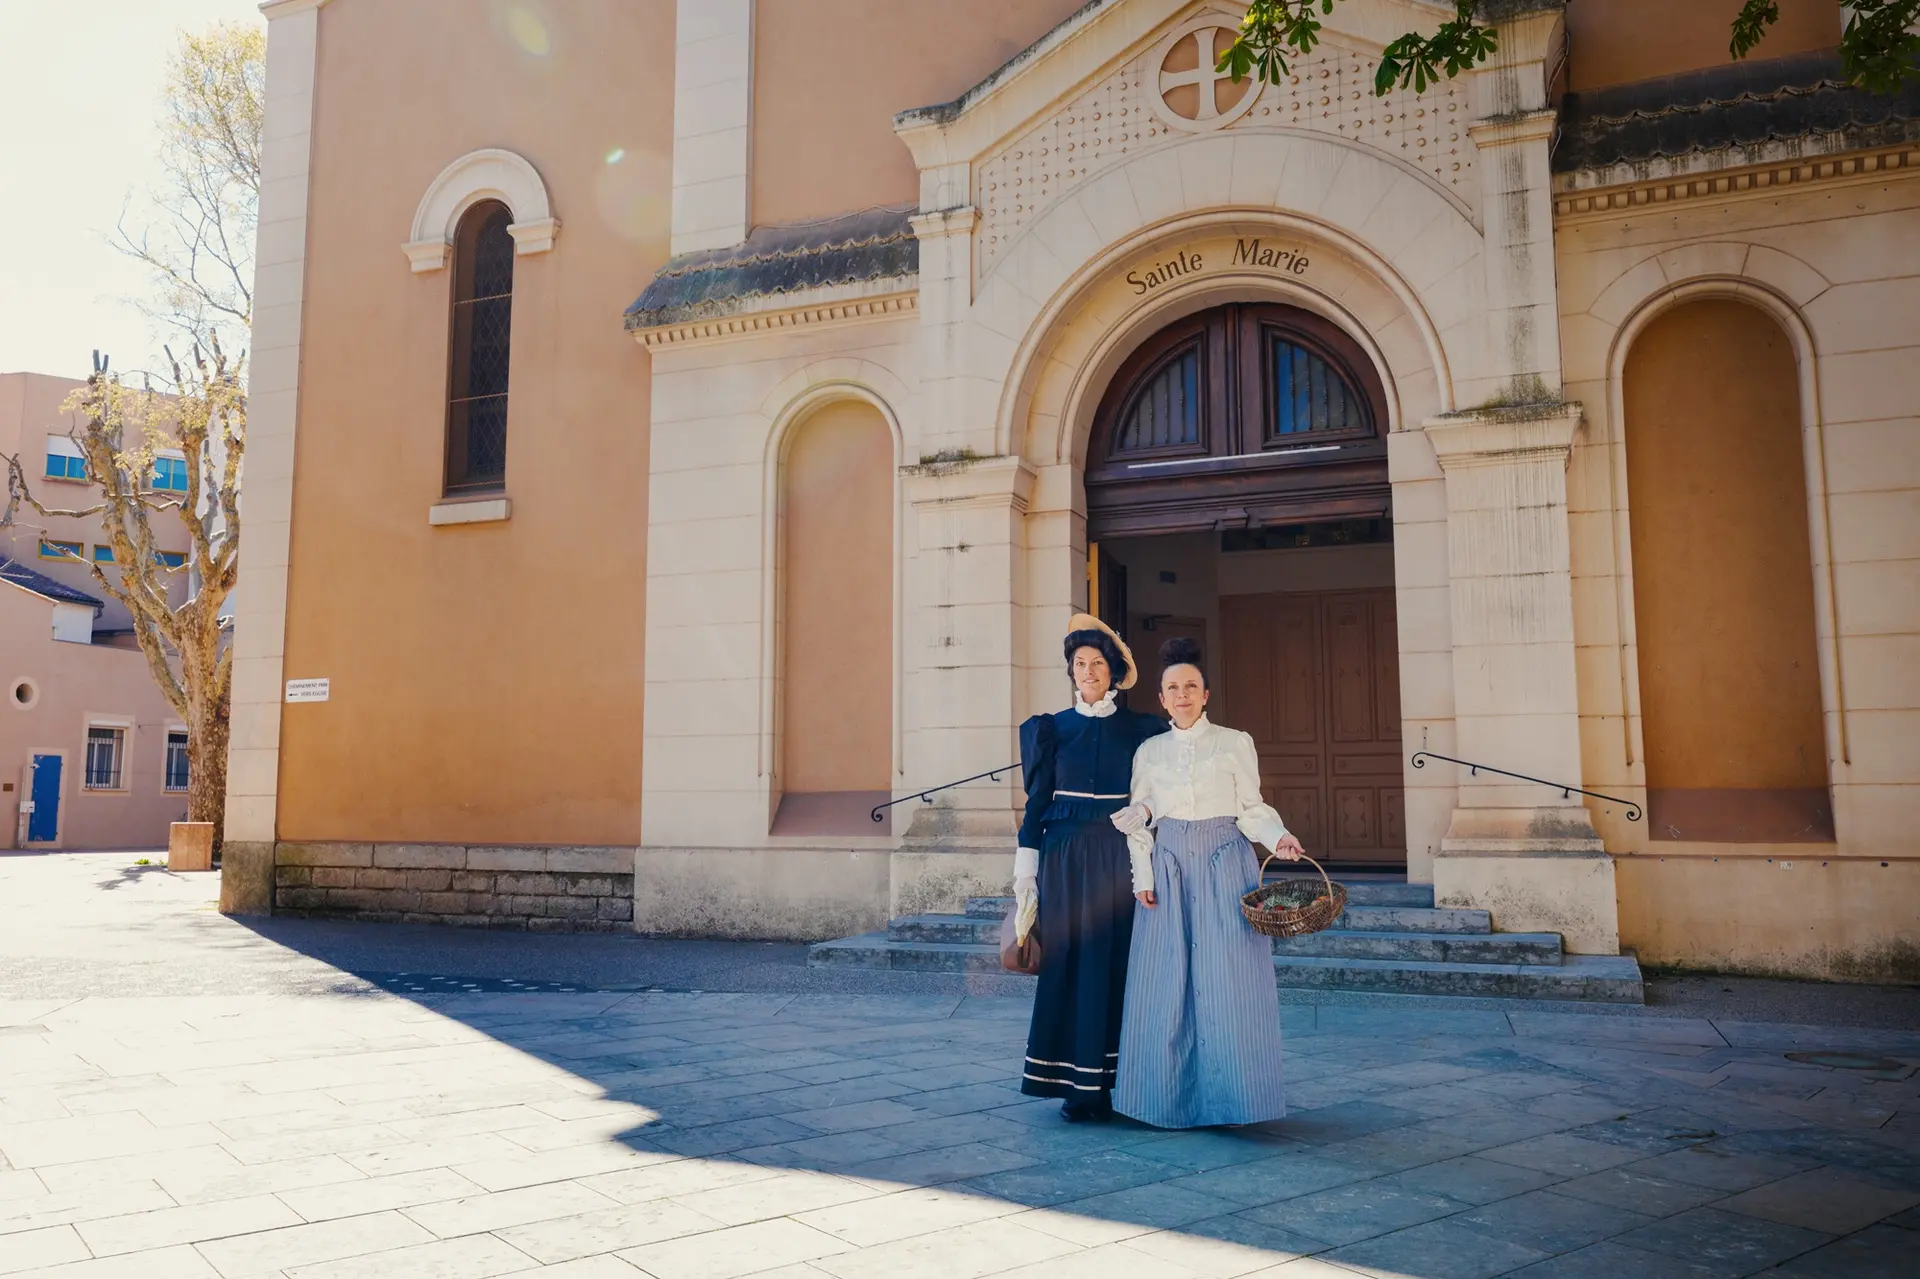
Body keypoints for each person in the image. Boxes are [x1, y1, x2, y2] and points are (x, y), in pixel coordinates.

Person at [1110, 636, 1302, 1129]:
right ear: (1161, 697)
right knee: (1164, 981)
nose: (1182, 694)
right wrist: (1142, 877)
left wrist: (1277, 837)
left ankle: (1235, 1103)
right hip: (1169, 865)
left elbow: (1250, 809)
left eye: (1190, 686)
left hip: (1224, 863)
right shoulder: (1149, 750)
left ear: (1206, 693)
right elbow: (1142, 819)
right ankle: (1162, 1101)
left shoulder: (1235, 742)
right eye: (1172, 687)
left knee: (1229, 982)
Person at [1013, 614, 1169, 1121]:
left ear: (1114, 672)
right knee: (1069, 962)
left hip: (1118, 858)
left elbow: (1164, 791)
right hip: (1063, 862)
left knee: (1115, 965)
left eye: (1096, 663)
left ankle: (1121, 1085)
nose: (1086, 671)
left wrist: (1145, 813)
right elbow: (1037, 805)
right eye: (1079, 663)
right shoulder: (1049, 730)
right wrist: (1026, 870)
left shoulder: (1144, 729)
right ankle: (1075, 1089)